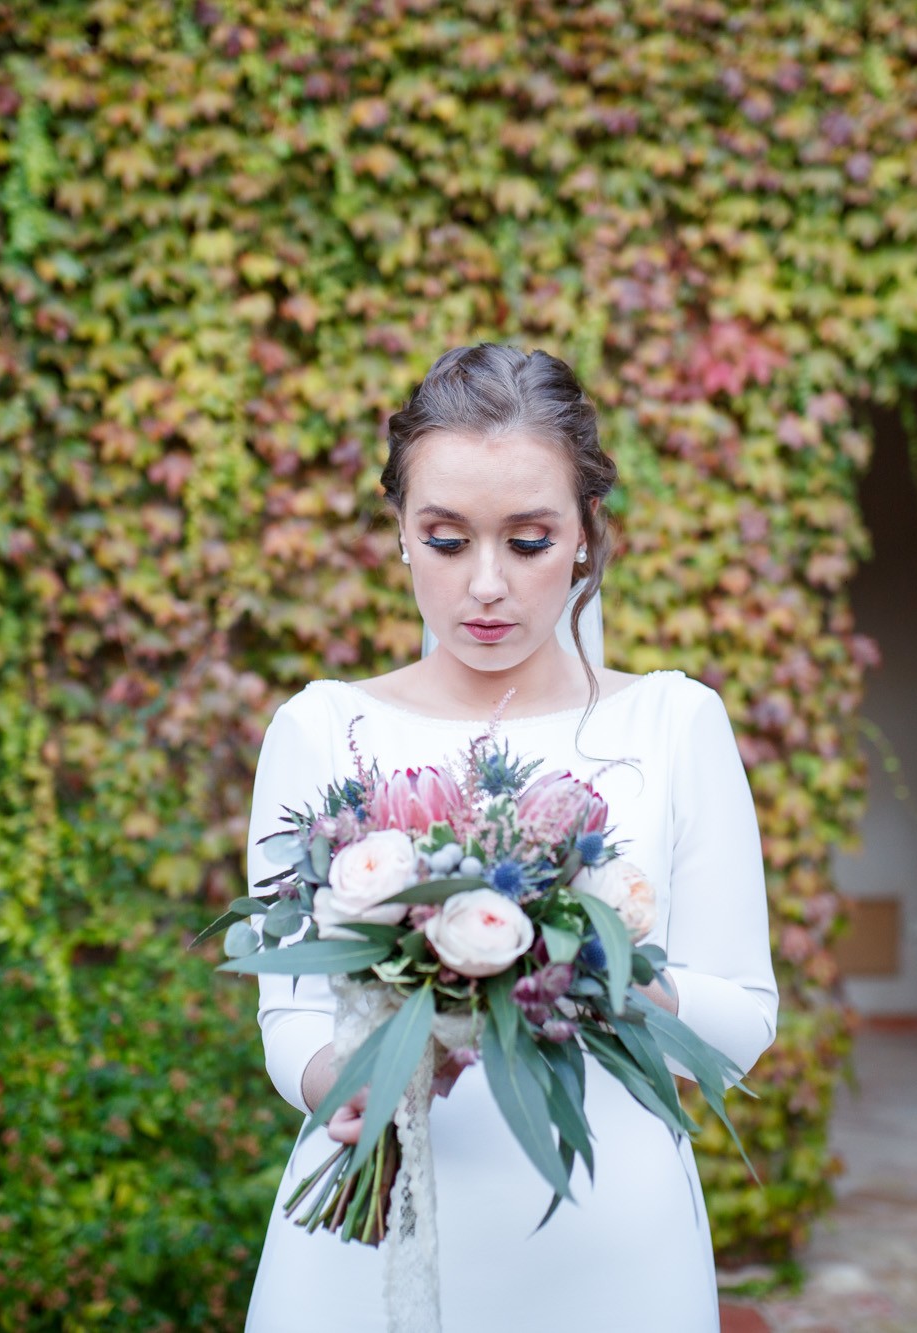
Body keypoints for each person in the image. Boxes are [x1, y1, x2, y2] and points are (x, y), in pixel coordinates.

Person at [240, 344, 779, 1331]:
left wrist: (580, 956)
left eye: (527, 541)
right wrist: (347, 1084)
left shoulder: (674, 723)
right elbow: (291, 1017)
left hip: (609, 1239)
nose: (484, 585)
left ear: (583, 537)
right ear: (399, 533)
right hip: (369, 1233)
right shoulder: (319, 730)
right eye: (445, 540)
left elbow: (741, 1021)